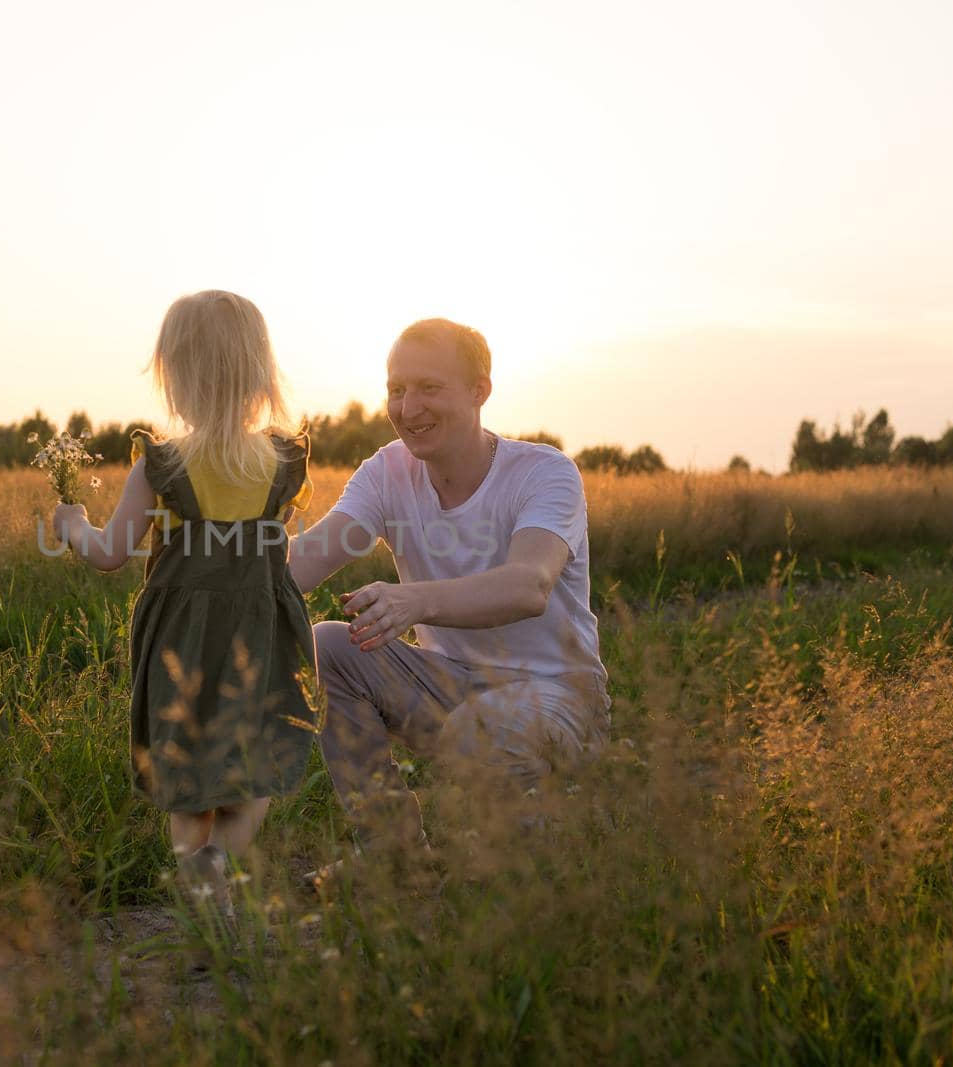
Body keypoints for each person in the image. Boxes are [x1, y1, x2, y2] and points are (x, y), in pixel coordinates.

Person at [289, 318, 609, 857]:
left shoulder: (545, 474)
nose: (408, 409)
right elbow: (305, 562)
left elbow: (528, 586)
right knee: (327, 646)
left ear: (480, 390)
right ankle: (396, 859)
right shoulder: (386, 472)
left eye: (430, 388)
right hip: (448, 686)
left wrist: (413, 600)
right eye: (397, 390)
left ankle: (539, 866)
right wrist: (200, 569)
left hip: (560, 695)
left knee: (481, 732)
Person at [50, 290, 315, 917]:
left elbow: (112, 552)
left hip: (182, 642)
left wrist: (71, 524)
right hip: (264, 636)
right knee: (261, 762)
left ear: (176, 373)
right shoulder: (283, 460)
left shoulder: (161, 465)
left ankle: (203, 901)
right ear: (258, 370)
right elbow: (277, 546)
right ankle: (222, 860)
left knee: (187, 782)